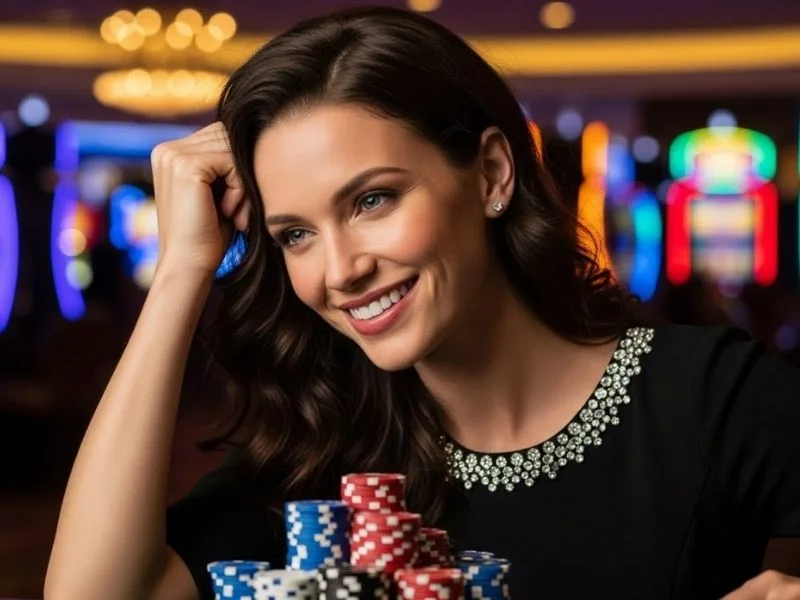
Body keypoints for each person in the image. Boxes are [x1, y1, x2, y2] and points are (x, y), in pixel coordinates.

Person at [44, 6, 800, 600]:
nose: (340, 271)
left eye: (372, 200)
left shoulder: (707, 395)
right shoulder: (325, 450)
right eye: (296, 234)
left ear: (492, 173)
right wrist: (181, 269)